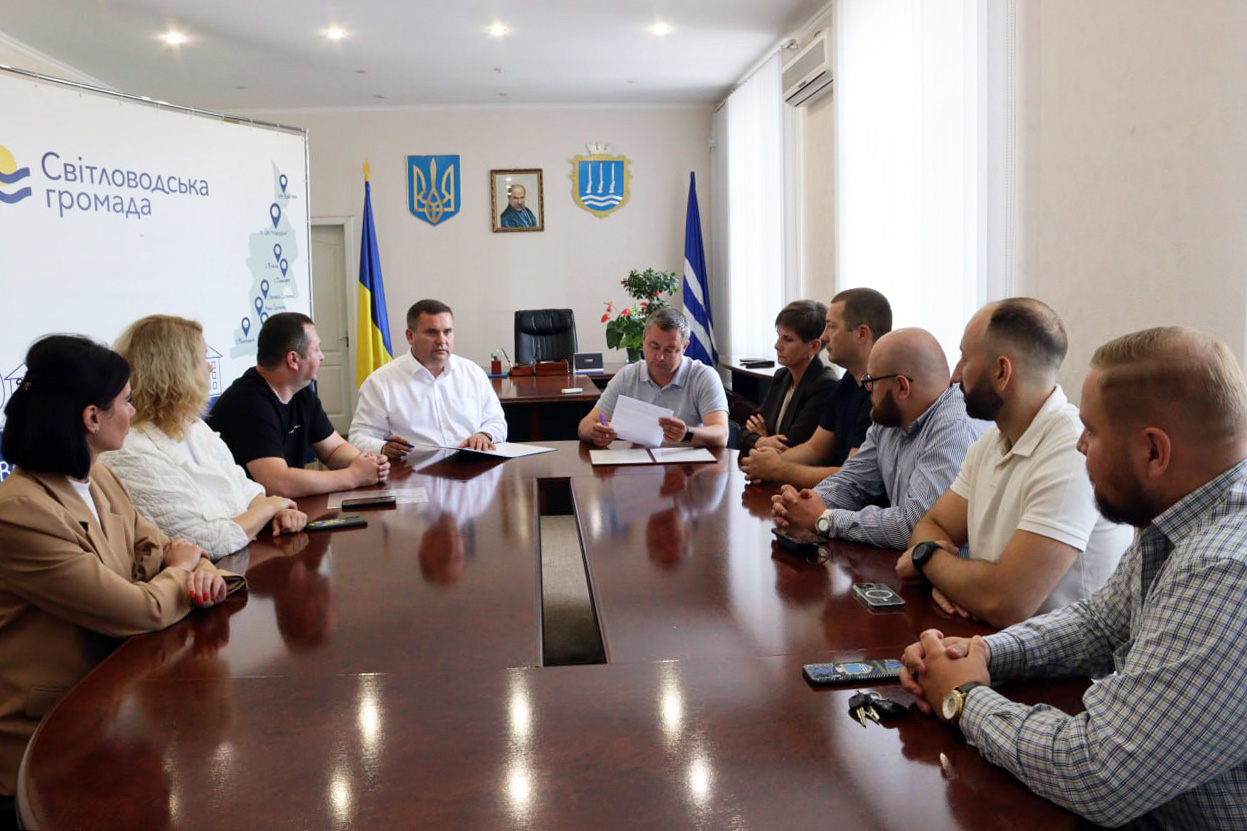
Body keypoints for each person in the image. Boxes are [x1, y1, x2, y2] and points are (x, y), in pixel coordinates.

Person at [900, 327, 1247, 830]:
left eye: (1093, 432)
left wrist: (965, 699)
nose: (1080, 446)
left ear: (1154, 452)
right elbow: (1101, 625)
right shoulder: (1184, 519)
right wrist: (983, 654)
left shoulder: (1226, 569)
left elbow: (1104, 772)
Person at [0, 335, 241, 805]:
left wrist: (198, 570)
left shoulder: (100, 475)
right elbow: (140, 610)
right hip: (44, 740)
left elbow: (163, 548)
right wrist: (182, 569)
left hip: (109, 708)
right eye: (127, 402)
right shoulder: (21, 512)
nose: (133, 412)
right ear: (92, 417)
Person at [895, 300, 1131, 626]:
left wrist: (927, 560)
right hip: (995, 640)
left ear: (1001, 372)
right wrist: (958, 582)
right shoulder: (991, 442)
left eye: (965, 357)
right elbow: (931, 524)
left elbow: (1006, 602)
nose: (955, 375)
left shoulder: (1072, 450)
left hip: (1061, 657)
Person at [101, 315, 308, 560]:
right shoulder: (131, 452)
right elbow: (205, 540)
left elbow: (243, 487)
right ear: (177, 372)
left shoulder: (192, 426)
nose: (210, 367)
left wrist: (273, 511)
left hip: (239, 563)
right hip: (205, 575)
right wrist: (270, 508)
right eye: (203, 359)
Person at [771, 328, 986, 548]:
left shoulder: (954, 428)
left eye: (871, 381)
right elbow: (853, 481)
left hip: (944, 568)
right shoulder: (890, 417)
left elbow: (917, 526)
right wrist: (803, 503)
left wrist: (826, 519)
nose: (868, 390)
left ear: (902, 387)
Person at [207, 312, 389, 498]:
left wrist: (367, 462)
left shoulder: (301, 393)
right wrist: (353, 476)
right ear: (293, 360)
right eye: (316, 349)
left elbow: (333, 449)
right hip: (237, 510)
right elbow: (277, 483)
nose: (322, 356)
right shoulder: (248, 402)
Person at [741, 287, 889, 487]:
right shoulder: (847, 382)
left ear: (861, 334)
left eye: (831, 327)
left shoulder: (880, 392)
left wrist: (777, 468)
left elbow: (853, 476)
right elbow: (814, 449)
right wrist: (766, 461)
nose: (824, 336)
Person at [349, 299, 507, 458]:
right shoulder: (380, 382)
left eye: (447, 332)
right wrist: (383, 447)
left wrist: (485, 434)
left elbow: (496, 421)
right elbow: (358, 437)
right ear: (410, 336)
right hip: (413, 469)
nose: (441, 340)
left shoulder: (472, 373)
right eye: (431, 332)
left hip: (472, 467)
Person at [578, 307, 729, 449]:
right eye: (654, 346)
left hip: (687, 464)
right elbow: (585, 425)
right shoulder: (628, 376)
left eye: (669, 349)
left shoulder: (703, 377)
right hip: (639, 462)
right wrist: (595, 432)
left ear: (684, 347)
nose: (660, 356)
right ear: (643, 340)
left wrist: (687, 434)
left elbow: (721, 434)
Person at [736, 300, 838, 458]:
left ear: (813, 346)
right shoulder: (782, 376)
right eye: (779, 336)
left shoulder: (824, 385)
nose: (777, 345)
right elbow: (743, 432)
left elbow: (791, 446)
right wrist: (761, 441)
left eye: (788, 339)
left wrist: (763, 438)